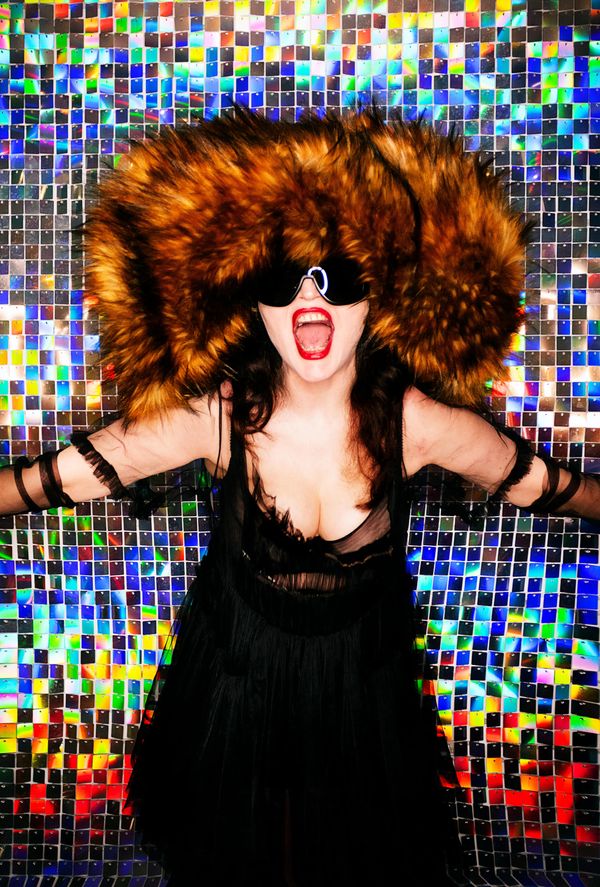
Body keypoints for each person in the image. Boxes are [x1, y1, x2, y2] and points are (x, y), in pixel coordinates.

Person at [1, 109, 598, 886]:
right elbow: (58, 477)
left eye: (337, 274)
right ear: (251, 299)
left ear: (375, 296)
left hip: (365, 705)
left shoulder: (416, 424)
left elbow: (544, 485)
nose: (311, 298)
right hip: (234, 701)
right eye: (284, 276)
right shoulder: (219, 420)